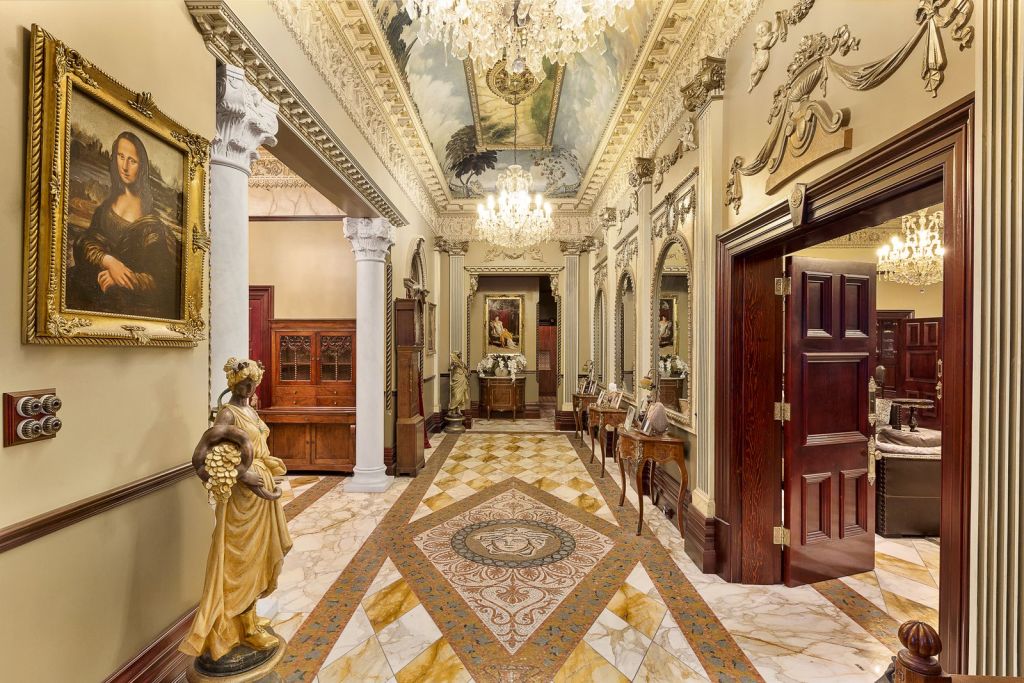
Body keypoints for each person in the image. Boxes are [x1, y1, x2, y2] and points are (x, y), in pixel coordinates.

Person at [181, 358, 293, 662]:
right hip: (242, 500)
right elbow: (200, 458)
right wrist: (243, 475)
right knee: (239, 560)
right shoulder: (228, 414)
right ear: (233, 383)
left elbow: (257, 447)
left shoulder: (249, 410)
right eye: (245, 382)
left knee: (258, 558)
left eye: (254, 382)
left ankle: (249, 622)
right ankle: (228, 628)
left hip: (260, 497)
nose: (251, 387)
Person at [68, 131, 179, 319]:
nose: (125, 167)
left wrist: (123, 279)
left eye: (132, 161)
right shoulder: (106, 207)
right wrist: (109, 261)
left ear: (141, 167)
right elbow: (85, 241)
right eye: (121, 157)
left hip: (130, 304)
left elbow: (162, 281)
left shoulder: (152, 225)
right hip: (93, 286)